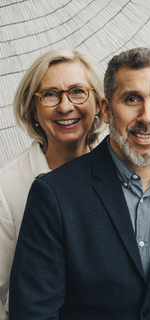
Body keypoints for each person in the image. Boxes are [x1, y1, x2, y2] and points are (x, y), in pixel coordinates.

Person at [9, 47, 150, 319]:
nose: (147, 117)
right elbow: (34, 313)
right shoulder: (53, 195)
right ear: (105, 109)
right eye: (132, 99)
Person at [0, 48, 105, 320]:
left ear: (98, 104)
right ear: (33, 109)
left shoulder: (118, 172)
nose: (65, 106)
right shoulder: (6, 185)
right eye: (50, 94)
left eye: (78, 91)